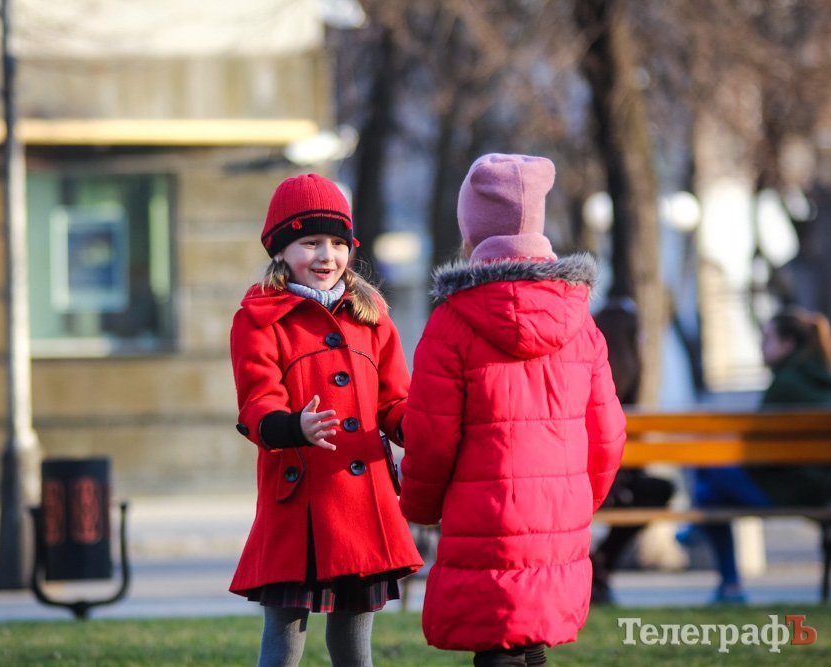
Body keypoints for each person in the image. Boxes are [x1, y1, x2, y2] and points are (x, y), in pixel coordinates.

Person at [399, 153, 626, 666]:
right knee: (531, 639)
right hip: (559, 512)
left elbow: (431, 437)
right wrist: (579, 499)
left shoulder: (452, 322)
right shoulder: (581, 321)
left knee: (496, 644)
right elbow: (608, 431)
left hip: (483, 513)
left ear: (472, 230)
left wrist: (420, 507)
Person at [229, 173, 422, 667]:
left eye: (338, 243)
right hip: (299, 502)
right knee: (283, 640)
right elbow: (257, 400)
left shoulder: (372, 315)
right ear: (280, 249)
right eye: (310, 242)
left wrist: (416, 426)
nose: (326, 256)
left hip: (364, 503)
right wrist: (294, 426)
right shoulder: (259, 318)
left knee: (355, 644)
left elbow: (394, 399)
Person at [682, 306, 831, 604]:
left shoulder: (787, 383)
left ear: (788, 343)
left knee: (705, 466)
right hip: (822, 489)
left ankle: (726, 578)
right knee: (710, 496)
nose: (761, 346)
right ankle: (725, 581)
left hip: (789, 490)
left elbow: (755, 451)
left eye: (767, 339)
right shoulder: (823, 380)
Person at [589, 298, 675, 604]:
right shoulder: (629, 379)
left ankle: (597, 568)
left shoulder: (588, 373)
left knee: (653, 489)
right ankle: (601, 566)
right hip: (611, 484)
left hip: (588, 483)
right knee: (659, 489)